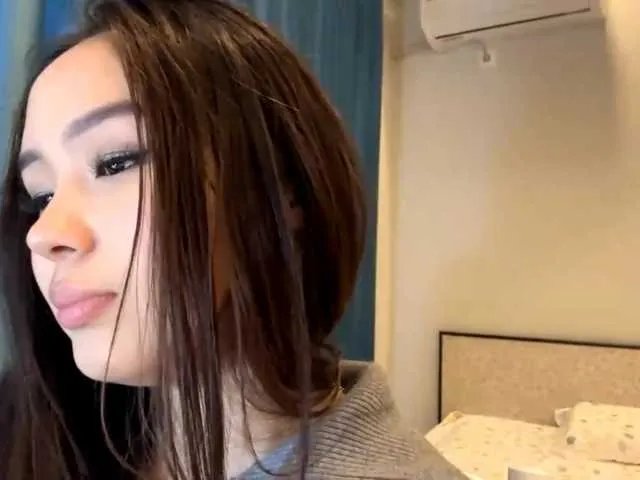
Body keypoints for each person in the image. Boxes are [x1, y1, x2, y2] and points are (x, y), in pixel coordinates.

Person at [0, 1, 464, 479]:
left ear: (282, 190)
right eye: (42, 196)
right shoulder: (38, 431)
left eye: (116, 162)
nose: (43, 234)